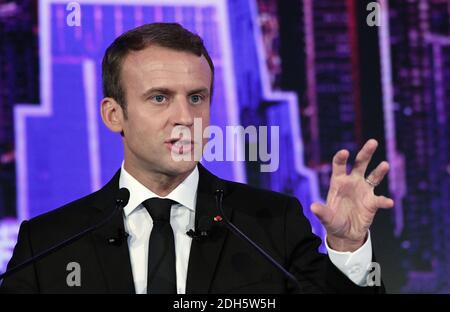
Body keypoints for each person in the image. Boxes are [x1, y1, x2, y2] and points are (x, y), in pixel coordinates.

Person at [0, 23, 393, 294]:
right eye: (159, 97)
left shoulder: (272, 225)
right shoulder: (49, 243)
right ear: (113, 114)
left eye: (196, 98)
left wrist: (347, 245)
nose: (185, 118)